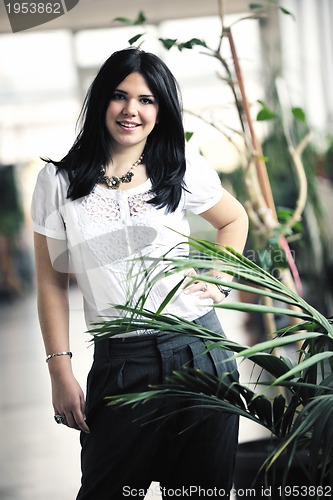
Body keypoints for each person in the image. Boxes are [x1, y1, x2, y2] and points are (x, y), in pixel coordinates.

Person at [31, 47, 249, 499]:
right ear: (100, 102)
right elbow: (51, 280)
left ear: (160, 109)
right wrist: (59, 369)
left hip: (200, 352)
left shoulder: (178, 166)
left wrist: (217, 277)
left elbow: (234, 220)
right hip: (121, 364)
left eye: (147, 100)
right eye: (120, 96)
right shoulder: (59, 183)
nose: (132, 109)